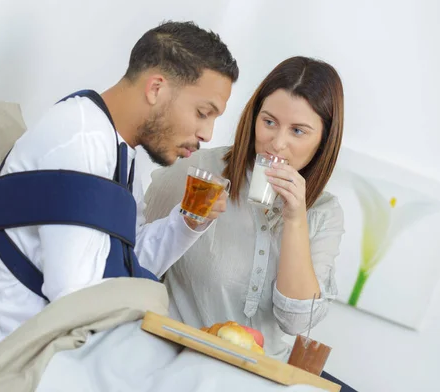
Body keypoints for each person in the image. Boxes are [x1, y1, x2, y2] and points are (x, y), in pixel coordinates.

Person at [0, 20, 238, 354]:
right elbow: (74, 298)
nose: (208, 134)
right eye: (203, 112)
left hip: (70, 345)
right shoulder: (79, 141)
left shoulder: (119, 151)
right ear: (156, 88)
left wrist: (187, 223)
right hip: (30, 355)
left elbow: (128, 260)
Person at [144, 56, 345, 361]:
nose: (277, 143)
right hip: (174, 365)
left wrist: (295, 219)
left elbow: (296, 322)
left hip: (254, 380)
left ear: (324, 140)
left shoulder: (324, 213)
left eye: (298, 131)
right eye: (269, 122)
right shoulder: (200, 171)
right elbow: (132, 262)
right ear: (254, 117)